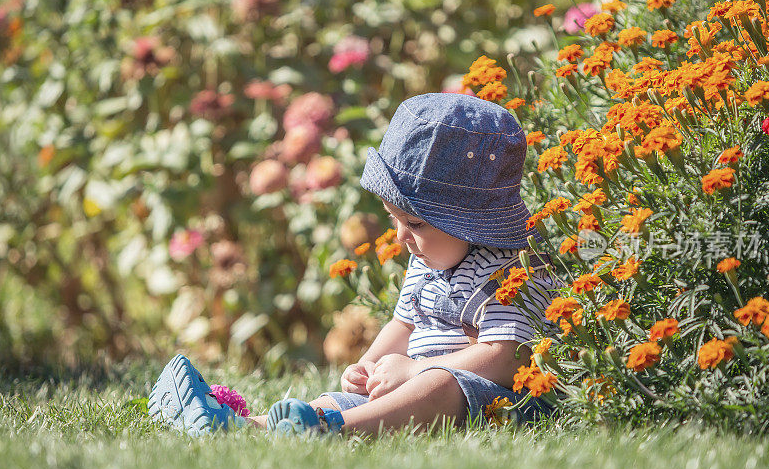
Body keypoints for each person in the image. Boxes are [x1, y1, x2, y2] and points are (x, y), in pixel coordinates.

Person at [148, 92, 561, 437]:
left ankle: (329, 432)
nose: (400, 236)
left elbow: (507, 356)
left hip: (496, 401)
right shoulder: (430, 254)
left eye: (414, 222)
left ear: (471, 221)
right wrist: (368, 365)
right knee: (337, 401)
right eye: (392, 218)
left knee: (440, 385)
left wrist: (417, 369)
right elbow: (405, 324)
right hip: (409, 385)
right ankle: (247, 427)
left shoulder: (514, 265)